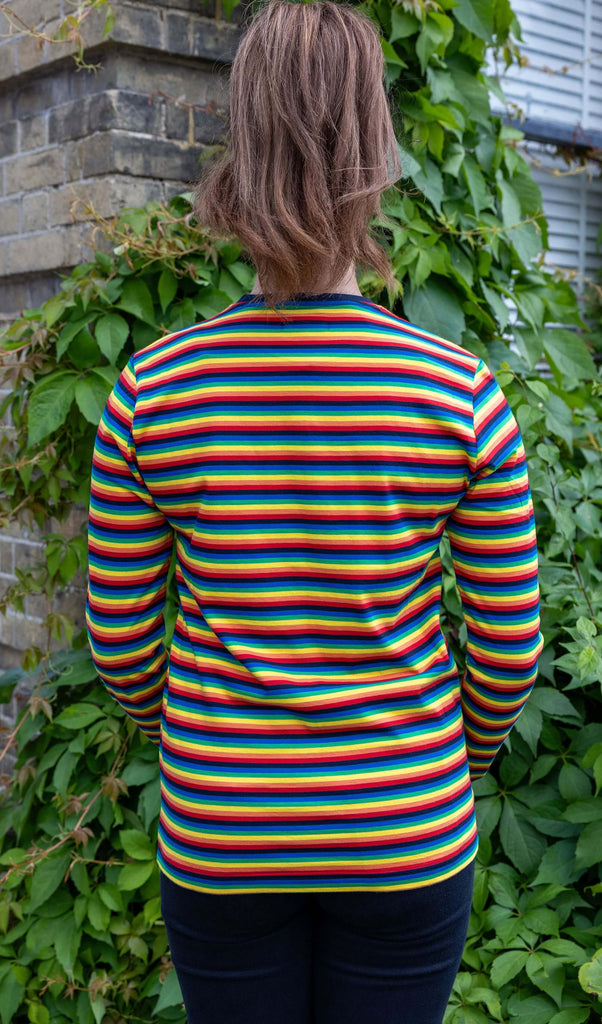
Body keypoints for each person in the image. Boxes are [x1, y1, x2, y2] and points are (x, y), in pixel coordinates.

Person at [85, 1, 544, 1022]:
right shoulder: (456, 394)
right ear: (375, 151)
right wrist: (433, 758)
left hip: (222, 827)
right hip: (405, 822)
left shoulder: (153, 392)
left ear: (240, 146)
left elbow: (119, 649)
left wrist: (220, 739)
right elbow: (508, 650)